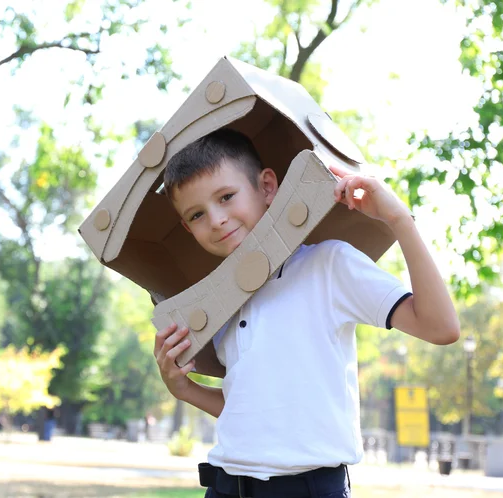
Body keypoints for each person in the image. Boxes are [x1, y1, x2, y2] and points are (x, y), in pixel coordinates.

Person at [153, 129, 459, 498]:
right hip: (224, 486)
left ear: (267, 187)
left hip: (308, 489)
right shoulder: (215, 304)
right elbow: (251, 407)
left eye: (226, 196)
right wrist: (184, 389)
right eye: (197, 214)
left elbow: (441, 326)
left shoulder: (328, 264)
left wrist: (398, 219)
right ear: (187, 228)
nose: (216, 219)